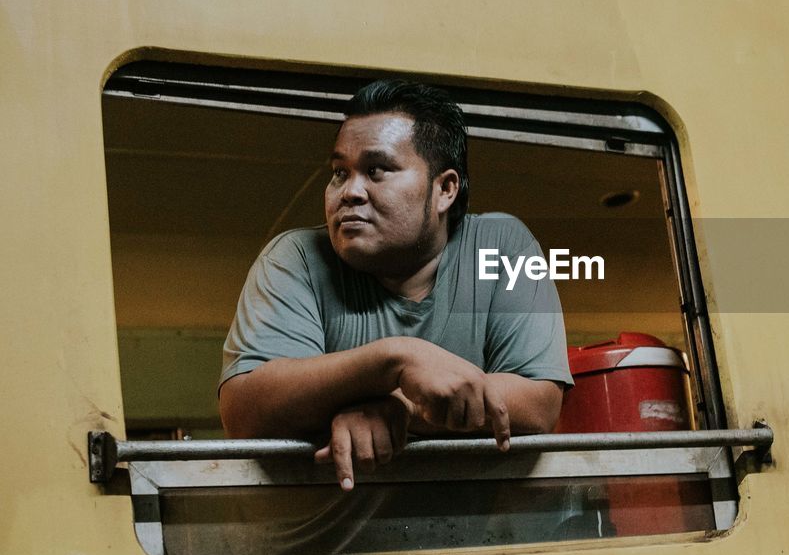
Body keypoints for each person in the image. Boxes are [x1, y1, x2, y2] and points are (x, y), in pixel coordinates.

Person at [218, 79, 573, 490]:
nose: (349, 192)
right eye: (339, 173)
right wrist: (396, 360)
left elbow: (539, 403)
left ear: (445, 189)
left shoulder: (502, 245)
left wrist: (400, 409)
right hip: (323, 546)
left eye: (376, 171)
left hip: (474, 542)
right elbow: (243, 412)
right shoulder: (296, 257)